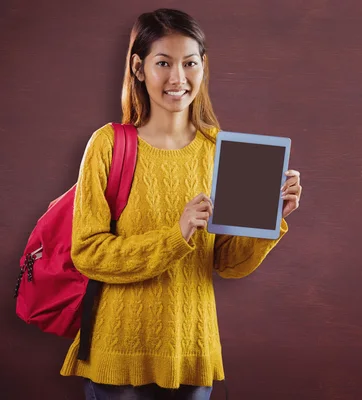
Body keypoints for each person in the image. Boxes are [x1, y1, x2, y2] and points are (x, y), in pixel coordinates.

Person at [59, 8, 302, 400]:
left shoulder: (220, 150)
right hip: (118, 354)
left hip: (191, 351)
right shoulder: (107, 145)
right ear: (138, 68)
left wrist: (271, 220)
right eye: (163, 63)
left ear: (203, 67)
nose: (177, 78)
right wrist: (176, 234)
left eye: (189, 63)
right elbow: (88, 253)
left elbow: (227, 264)